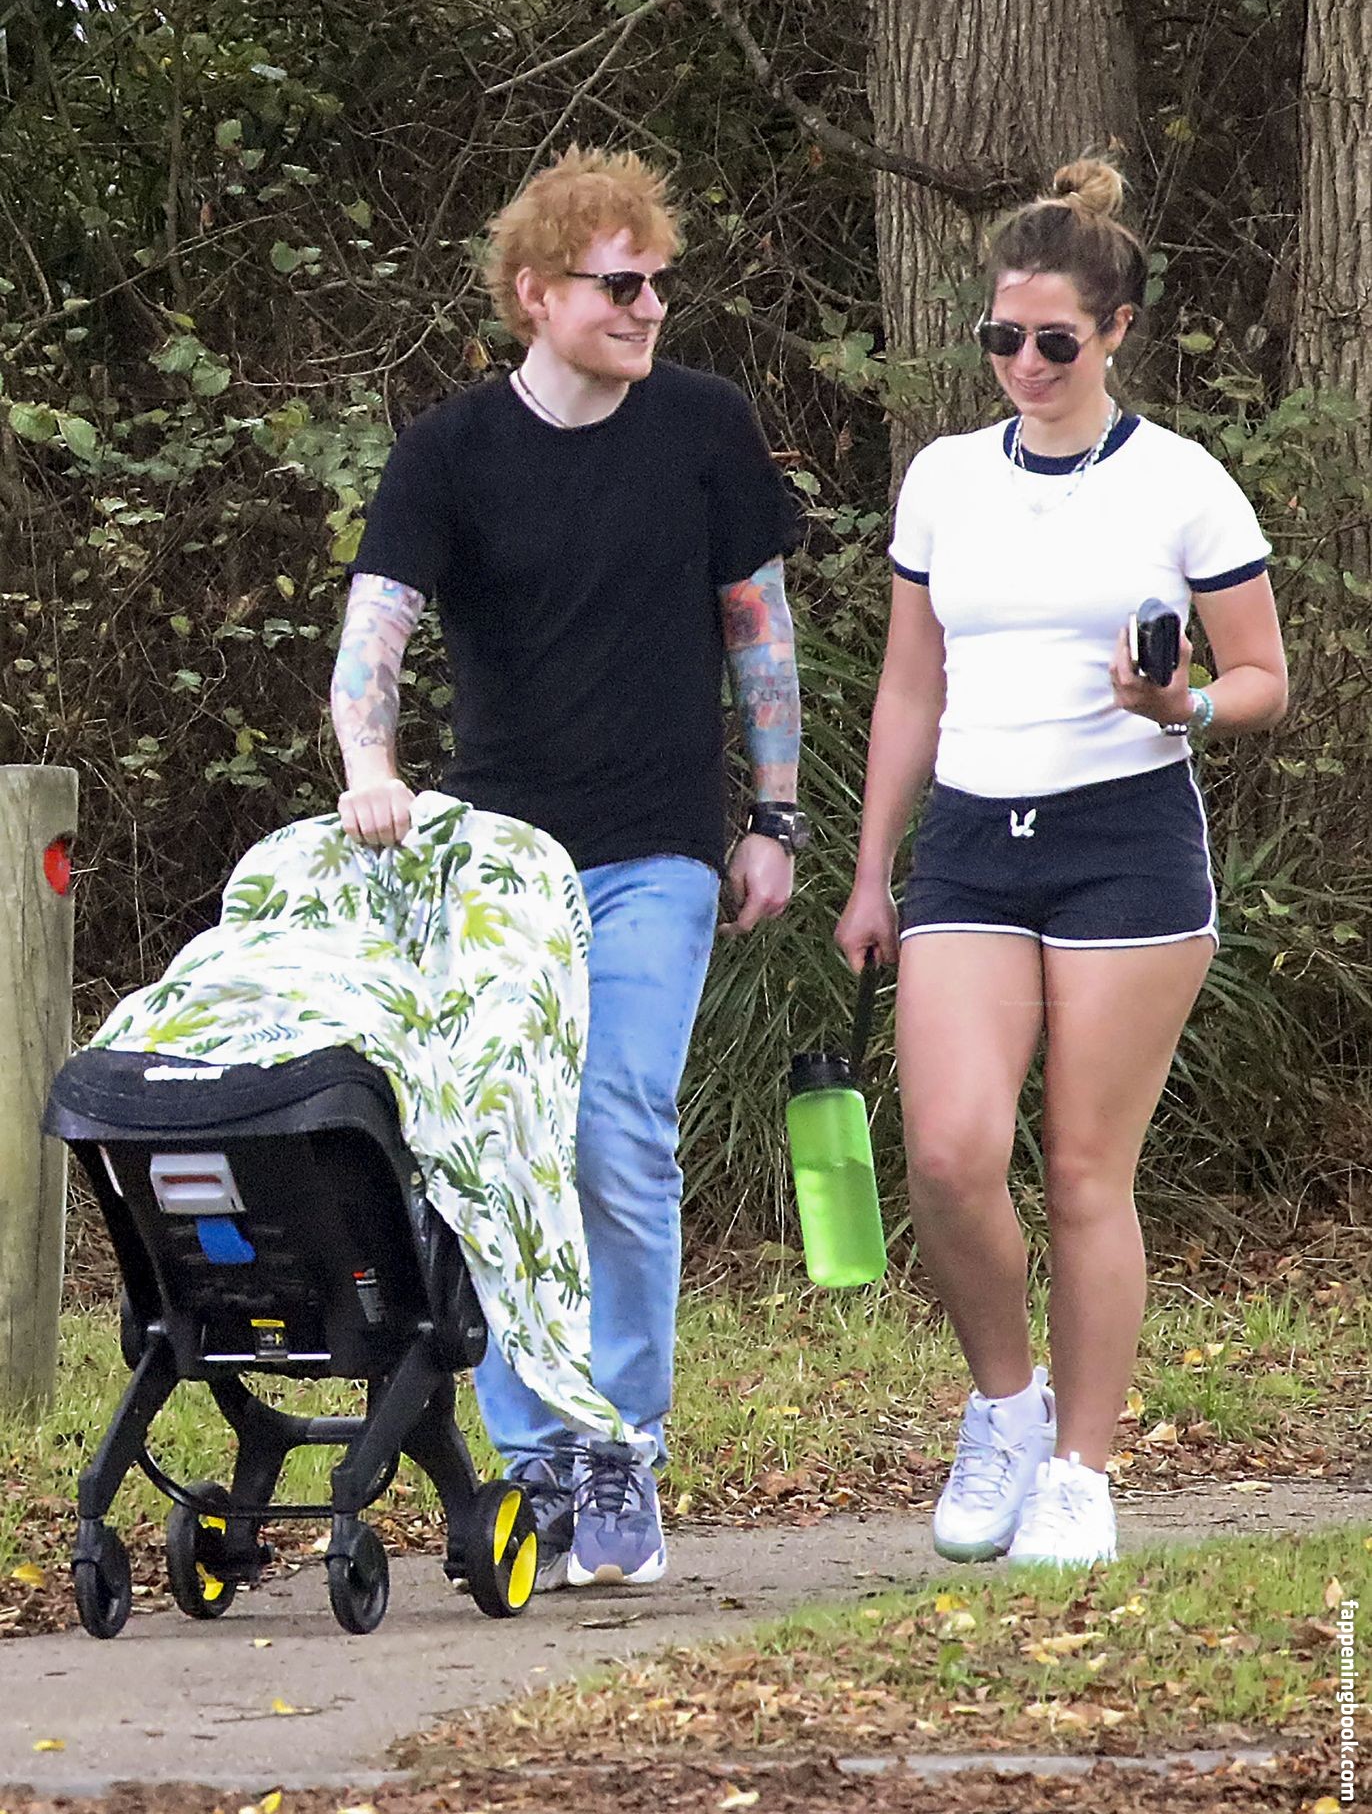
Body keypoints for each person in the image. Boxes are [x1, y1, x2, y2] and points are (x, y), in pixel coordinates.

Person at [329, 146, 806, 1589]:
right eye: (618, 284)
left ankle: (622, 1448)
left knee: (615, 1126)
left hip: (658, 850)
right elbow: (375, 632)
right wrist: (371, 770)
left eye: (657, 281)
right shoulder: (451, 452)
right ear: (537, 294)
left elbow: (760, 630)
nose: (647, 305)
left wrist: (776, 817)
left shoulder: (706, 429)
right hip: (501, 863)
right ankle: (533, 1455)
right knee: (496, 1141)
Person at [835, 156, 1287, 1568]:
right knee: (948, 1154)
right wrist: (872, 869)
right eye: (1001, 337)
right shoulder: (944, 478)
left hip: (1125, 843)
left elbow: (1263, 676)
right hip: (974, 839)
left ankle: (1082, 1471)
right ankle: (1006, 1409)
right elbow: (910, 686)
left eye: (1054, 341)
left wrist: (1184, 706)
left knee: (1087, 1170)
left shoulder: (1182, 482)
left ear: (1117, 331)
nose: (1024, 365)